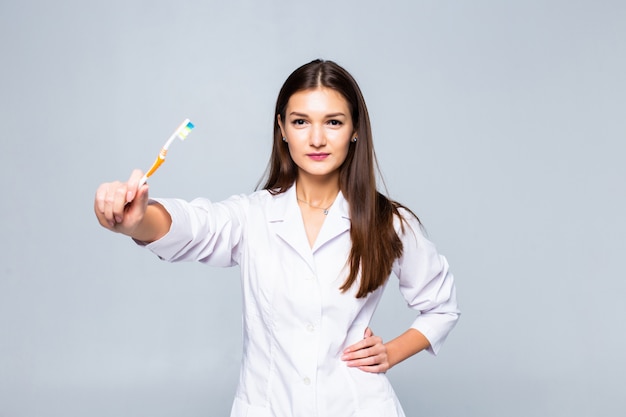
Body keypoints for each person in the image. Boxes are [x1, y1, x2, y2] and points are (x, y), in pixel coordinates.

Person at [94, 59, 460, 417]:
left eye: (333, 122)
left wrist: (392, 352)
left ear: (355, 129)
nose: (317, 138)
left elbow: (441, 307)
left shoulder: (389, 221)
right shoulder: (252, 215)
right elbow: (193, 226)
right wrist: (137, 220)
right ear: (282, 128)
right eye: (301, 122)